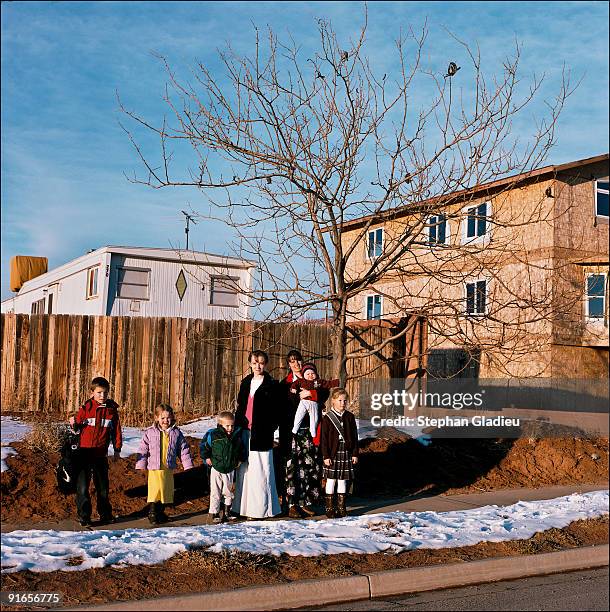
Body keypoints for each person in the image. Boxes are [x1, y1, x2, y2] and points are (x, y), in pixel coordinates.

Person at [233, 350, 282, 519]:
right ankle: (242, 509)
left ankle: (260, 510)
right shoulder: (245, 382)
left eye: (261, 362)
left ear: (265, 364)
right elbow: (241, 405)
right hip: (245, 431)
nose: (257, 366)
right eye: (254, 363)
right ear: (250, 364)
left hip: (262, 434)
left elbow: (277, 411)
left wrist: (269, 428)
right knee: (245, 470)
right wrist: (238, 425)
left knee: (261, 472)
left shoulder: (271, 384)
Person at [69, 376, 122, 527]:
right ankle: (84, 516)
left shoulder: (111, 410)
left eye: (105, 393)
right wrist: (73, 424)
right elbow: (76, 428)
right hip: (84, 454)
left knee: (103, 487)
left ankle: (105, 514)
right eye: (99, 392)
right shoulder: (86, 408)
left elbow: (116, 432)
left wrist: (117, 449)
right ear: (92, 393)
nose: (102, 396)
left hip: (100, 454)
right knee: (83, 487)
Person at [282, 352, 326, 519]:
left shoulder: (313, 377)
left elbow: (325, 393)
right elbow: (285, 407)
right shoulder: (286, 383)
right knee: (293, 468)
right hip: (294, 432)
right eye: (292, 361)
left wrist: (311, 394)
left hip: (312, 430)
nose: (296, 364)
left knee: (310, 467)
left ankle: (307, 502)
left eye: (298, 360)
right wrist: (297, 396)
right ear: (289, 364)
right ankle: (292, 503)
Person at [135, 404, 194, 525]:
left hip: (167, 467)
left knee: (166, 491)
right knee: (155, 490)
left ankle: (160, 512)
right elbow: (143, 449)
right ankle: (152, 513)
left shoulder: (176, 433)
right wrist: (141, 463)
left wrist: (187, 464)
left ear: (172, 417)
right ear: (156, 418)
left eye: (168, 418)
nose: (165, 420)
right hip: (154, 468)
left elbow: (183, 449)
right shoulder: (150, 432)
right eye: (162, 418)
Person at [200, 411, 246, 523]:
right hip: (216, 467)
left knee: (228, 491)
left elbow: (241, 449)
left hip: (230, 468)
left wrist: (240, 459)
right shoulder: (213, 435)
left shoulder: (236, 436)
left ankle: (227, 512)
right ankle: (214, 513)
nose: (230, 428)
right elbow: (204, 447)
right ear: (220, 425)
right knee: (215, 491)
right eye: (227, 426)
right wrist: (206, 458)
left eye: (232, 425)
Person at [320, 388, 359, 518]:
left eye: (345, 400)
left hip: (346, 451)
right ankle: (330, 508)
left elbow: (354, 437)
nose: (343, 403)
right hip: (332, 453)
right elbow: (324, 439)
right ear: (333, 401)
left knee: (343, 481)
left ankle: (341, 508)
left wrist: (354, 453)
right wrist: (326, 456)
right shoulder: (327, 418)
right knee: (331, 480)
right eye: (340, 400)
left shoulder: (350, 417)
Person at [290, 363, 339, 438]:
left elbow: (328, 384)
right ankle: (295, 429)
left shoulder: (319, 382)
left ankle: (313, 432)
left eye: (312, 373)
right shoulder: (301, 381)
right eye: (308, 374)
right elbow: (294, 384)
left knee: (314, 418)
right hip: (303, 402)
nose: (310, 375)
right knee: (299, 415)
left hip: (313, 403)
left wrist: (338, 381)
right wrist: (294, 389)